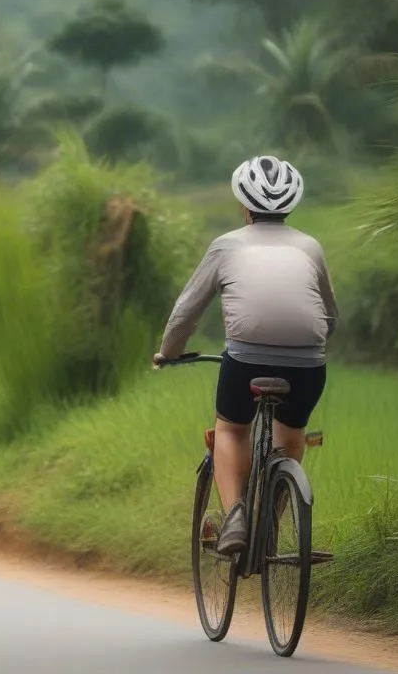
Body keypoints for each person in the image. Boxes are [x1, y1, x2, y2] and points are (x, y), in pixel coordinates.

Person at [153, 155, 337, 556]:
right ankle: (270, 524)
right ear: (291, 204)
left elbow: (186, 312)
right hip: (308, 365)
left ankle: (235, 516)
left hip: (246, 362)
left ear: (244, 204)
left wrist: (168, 353)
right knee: (291, 436)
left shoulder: (227, 246)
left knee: (232, 430)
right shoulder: (310, 247)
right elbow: (330, 315)